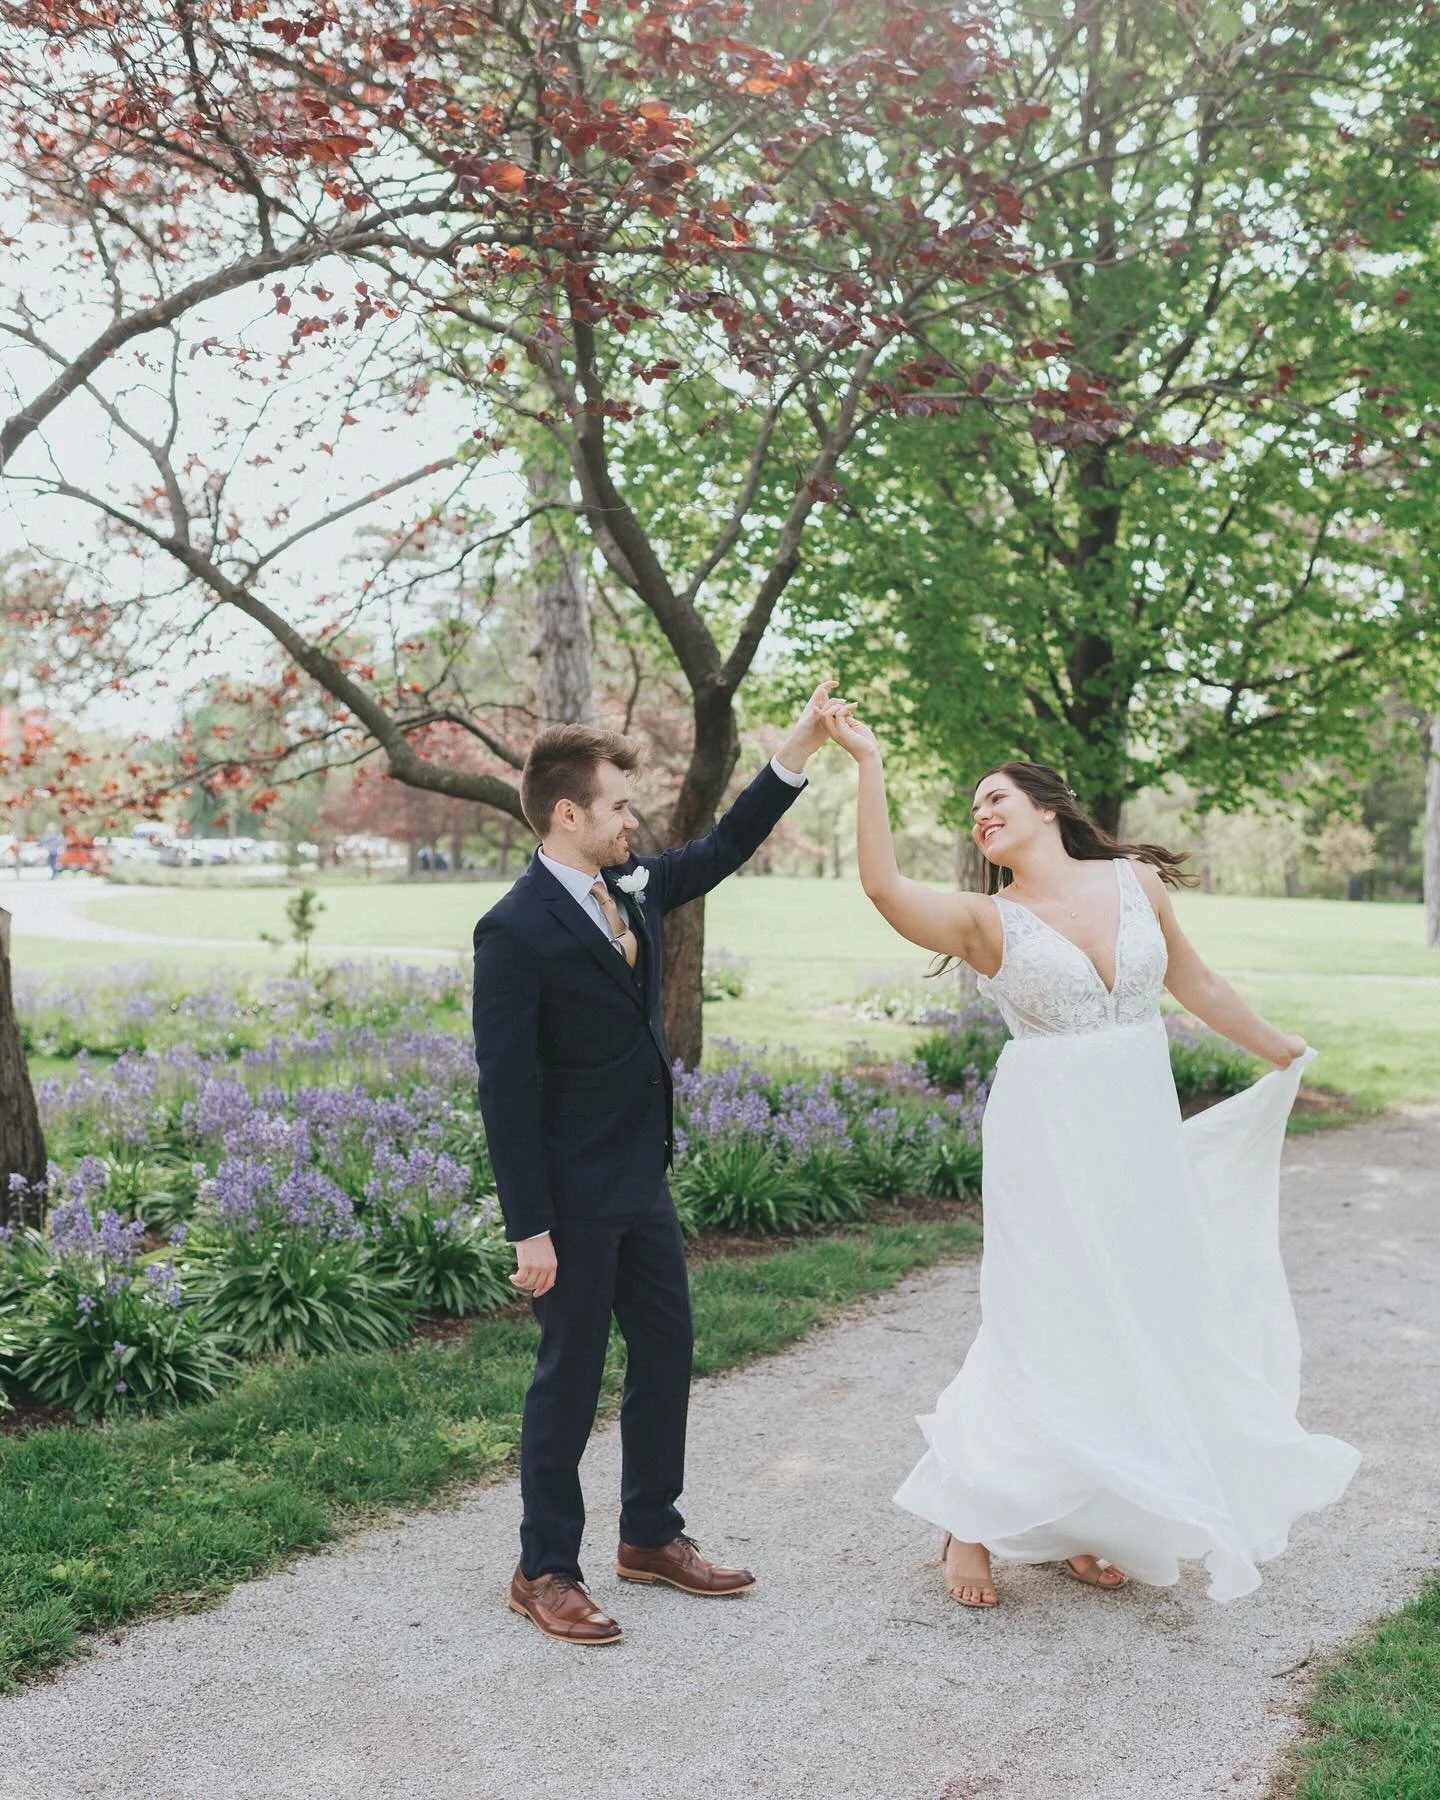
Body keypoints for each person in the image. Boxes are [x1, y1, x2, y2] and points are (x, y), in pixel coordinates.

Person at [822, 705, 1360, 1608]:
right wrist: (868, 762)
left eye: (995, 798)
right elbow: (882, 889)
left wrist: (1277, 1048)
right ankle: (969, 1520)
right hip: (1046, 1135)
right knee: (1044, 1314)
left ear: (1044, 805)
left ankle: (1088, 1518)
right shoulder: (986, 920)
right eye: (973, 812)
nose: (982, 815)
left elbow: (1195, 981)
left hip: (1134, 1127)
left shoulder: (1135, 882)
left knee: (1130, 1315)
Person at [472, 686, 836, 1644]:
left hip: (641, 1178)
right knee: (569, 1375)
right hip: (572, 1197)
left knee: (668, 1351)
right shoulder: (512, 932)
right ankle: (544, 1567)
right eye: (620, 807)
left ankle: (649, 1536)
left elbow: (719, 849)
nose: (633, 820)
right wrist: (530, 1227)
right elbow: (504, 1091)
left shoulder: (631, 883)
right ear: (569, 815)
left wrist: (793, 753)